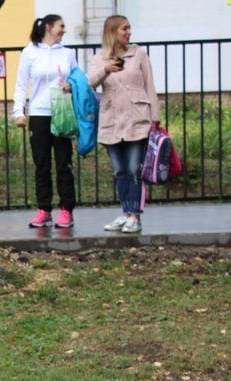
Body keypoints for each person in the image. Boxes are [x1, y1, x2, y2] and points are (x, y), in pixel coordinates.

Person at [88, 15, 159, 234]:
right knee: (120, 171)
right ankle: (126, 212)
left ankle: (134, 215)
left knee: (133, 169)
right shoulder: (99, 58)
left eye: (129, 28)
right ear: (112, 32)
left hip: (138, 119)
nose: (128, 32)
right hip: (112, 122)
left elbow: (150, 85)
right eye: (124, 29)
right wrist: (106, 69)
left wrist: (155, 118)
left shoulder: (138, 54)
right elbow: (90, 82)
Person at [12, 14, 79, 229]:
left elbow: (77, 79)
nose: (64, 30)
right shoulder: (30, 52)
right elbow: (21, 84)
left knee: (64, 163)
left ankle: (66, 210)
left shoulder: (67, 53)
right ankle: (44, 210)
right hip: (39, 113)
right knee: (42, 164)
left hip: (62, 113)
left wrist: (71, 86)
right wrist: (18, 111)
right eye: (61, 26)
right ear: (49, 27)